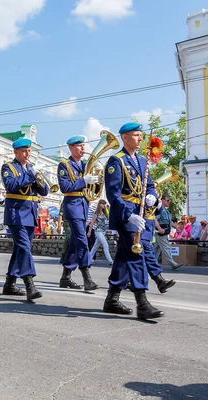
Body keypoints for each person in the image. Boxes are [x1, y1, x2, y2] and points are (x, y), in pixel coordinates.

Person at [102, 122, 171, 320]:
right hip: (126, 216)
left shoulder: (142, 160)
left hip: (140, 214)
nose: (140, 138)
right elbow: (113, 195)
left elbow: (149, 184)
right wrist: (128, 215)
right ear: (124, 137)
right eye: (135, 135)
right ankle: (142, 303)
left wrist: (152, 197)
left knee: (124, 258)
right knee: (136, 252)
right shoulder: (117, 161)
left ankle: (111, 300)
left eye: (141, 135)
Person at [1, 138, 49, 301]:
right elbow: (11, 185)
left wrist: (39, 176)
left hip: (30, 213)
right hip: (16, 213)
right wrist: (30, 174)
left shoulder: (30, 168)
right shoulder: (8, 167)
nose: (27, 153)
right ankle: (29, 284)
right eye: (23, 151)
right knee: (24, 247)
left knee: (21, 248)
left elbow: (44, 192)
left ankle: (10, 283)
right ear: (15, 152)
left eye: (29, 150)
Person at [57, 135, 101, 290]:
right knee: (82, 241)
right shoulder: (64, 165)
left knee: (74, 244)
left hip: (83, 205)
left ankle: (65, 277)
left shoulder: (85, 165)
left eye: (84, 145)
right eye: (79, 146)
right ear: (71, 148)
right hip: (72, 205)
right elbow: (65, 187)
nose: (83, 148)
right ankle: (87, 277)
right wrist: (84, 181)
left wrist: (96, 181)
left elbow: (92, 188)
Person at [153, 195, 182, 270]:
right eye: (167, 200)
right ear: (162, 200)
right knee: (166, 247)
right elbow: (154, 219)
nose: (169, 202)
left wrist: (176, 227)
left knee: (156, 249)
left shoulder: (166, 211)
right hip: (161, 233)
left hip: (164, 232)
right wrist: (159, 229)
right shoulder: (159, 210)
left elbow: (169, 222)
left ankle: (151, 263)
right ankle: (173, 263)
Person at [87, 199, 114, 265]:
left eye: (104, 204)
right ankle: (110, 260)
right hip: (98, 231)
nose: (104, 205)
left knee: (95, 247)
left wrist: (109, 209)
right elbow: (92, 222)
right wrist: (89, 231)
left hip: (103, 231)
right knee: (105, 245)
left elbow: (110, 218)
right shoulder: (96, 213)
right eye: (102, 204)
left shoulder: (105, 212)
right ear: (99, 204)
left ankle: (88, 260)